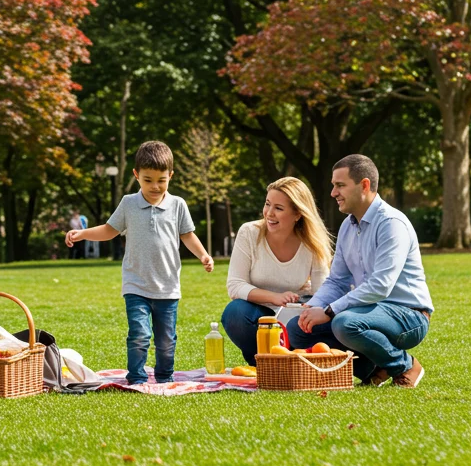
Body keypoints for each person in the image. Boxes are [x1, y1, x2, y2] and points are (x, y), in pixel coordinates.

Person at [65, 140, 214, 385]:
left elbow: (187, 235)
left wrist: (204, 255)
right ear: (136, 175)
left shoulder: (178, 205)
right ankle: (136, 378)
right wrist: (82, 233)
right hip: (136, 285)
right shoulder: (129, 203)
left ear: (170, 176)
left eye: (161, 180)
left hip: (167, 287)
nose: (155, 186)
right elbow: (109, 230)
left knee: (166, 340)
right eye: (148, 180)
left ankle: (165, 377)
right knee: (139, 335)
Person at [287, 154, 433, 388]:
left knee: (344, 323)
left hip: (409, 315)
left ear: (364, 185)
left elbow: (380, 286)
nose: (333, 193)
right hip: (368, 311)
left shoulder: (392, 224)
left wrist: (330, 310)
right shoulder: (347, 226)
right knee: (298, 328)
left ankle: (405, 365)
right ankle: (375, 368)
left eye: (340, 185)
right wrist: (312, 307)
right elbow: (337, 281)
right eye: (333, 185)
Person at [221, 177, 332, 364]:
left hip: (295, 316)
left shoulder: (313, 242)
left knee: (331, 320)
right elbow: (235, 285)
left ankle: (295, 359)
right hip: (257, 315)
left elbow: (323, 292)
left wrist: (309, 308)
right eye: (267, 204)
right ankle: (265, 363)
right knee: (235, 313)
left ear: (297, 214)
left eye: (279, 208)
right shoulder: (249, 232)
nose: (269, 213)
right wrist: (274, 297)